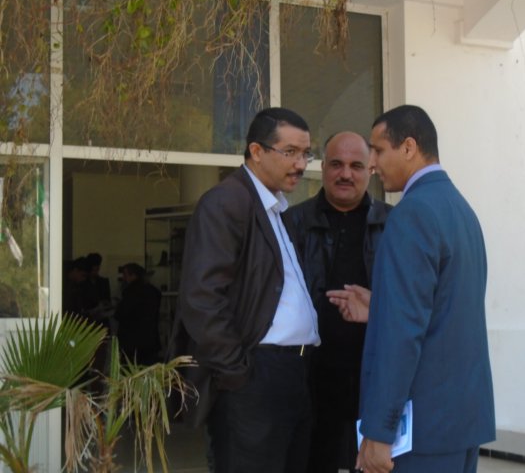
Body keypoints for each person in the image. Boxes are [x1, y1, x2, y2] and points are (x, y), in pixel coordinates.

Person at [332, 105, 495, 473]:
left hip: (422, 431)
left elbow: (402, 334)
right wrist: (381, 307)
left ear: (408, 147)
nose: (372, 163)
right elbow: (445, 310)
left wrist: (379, 430)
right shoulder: (461, 210)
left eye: (378, 150)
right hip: (461, 422)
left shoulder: (411, 213)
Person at [169, 107, 320, 473]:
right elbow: (202, 299)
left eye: (306, 154)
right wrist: (238, 374)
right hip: (255, 376)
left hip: (293, 373)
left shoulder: (276, 209)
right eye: (290, 152)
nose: (301, 164)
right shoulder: (227, 202)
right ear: (256, 151)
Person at [284, 131, 391, 473]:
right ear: (322, 168)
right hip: (310, 379)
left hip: (373, 377)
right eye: (336, 164)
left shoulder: (394, 224)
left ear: (370, 169)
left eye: (356, 166)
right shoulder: (291, 223)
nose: (346, 174)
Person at [114, 263, 161, 366]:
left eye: (125, 275)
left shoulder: (130, 292)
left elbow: (120, 314)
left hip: (131, 342)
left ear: (133, 275)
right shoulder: (153, 291)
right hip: (150, 339)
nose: (123, 278)